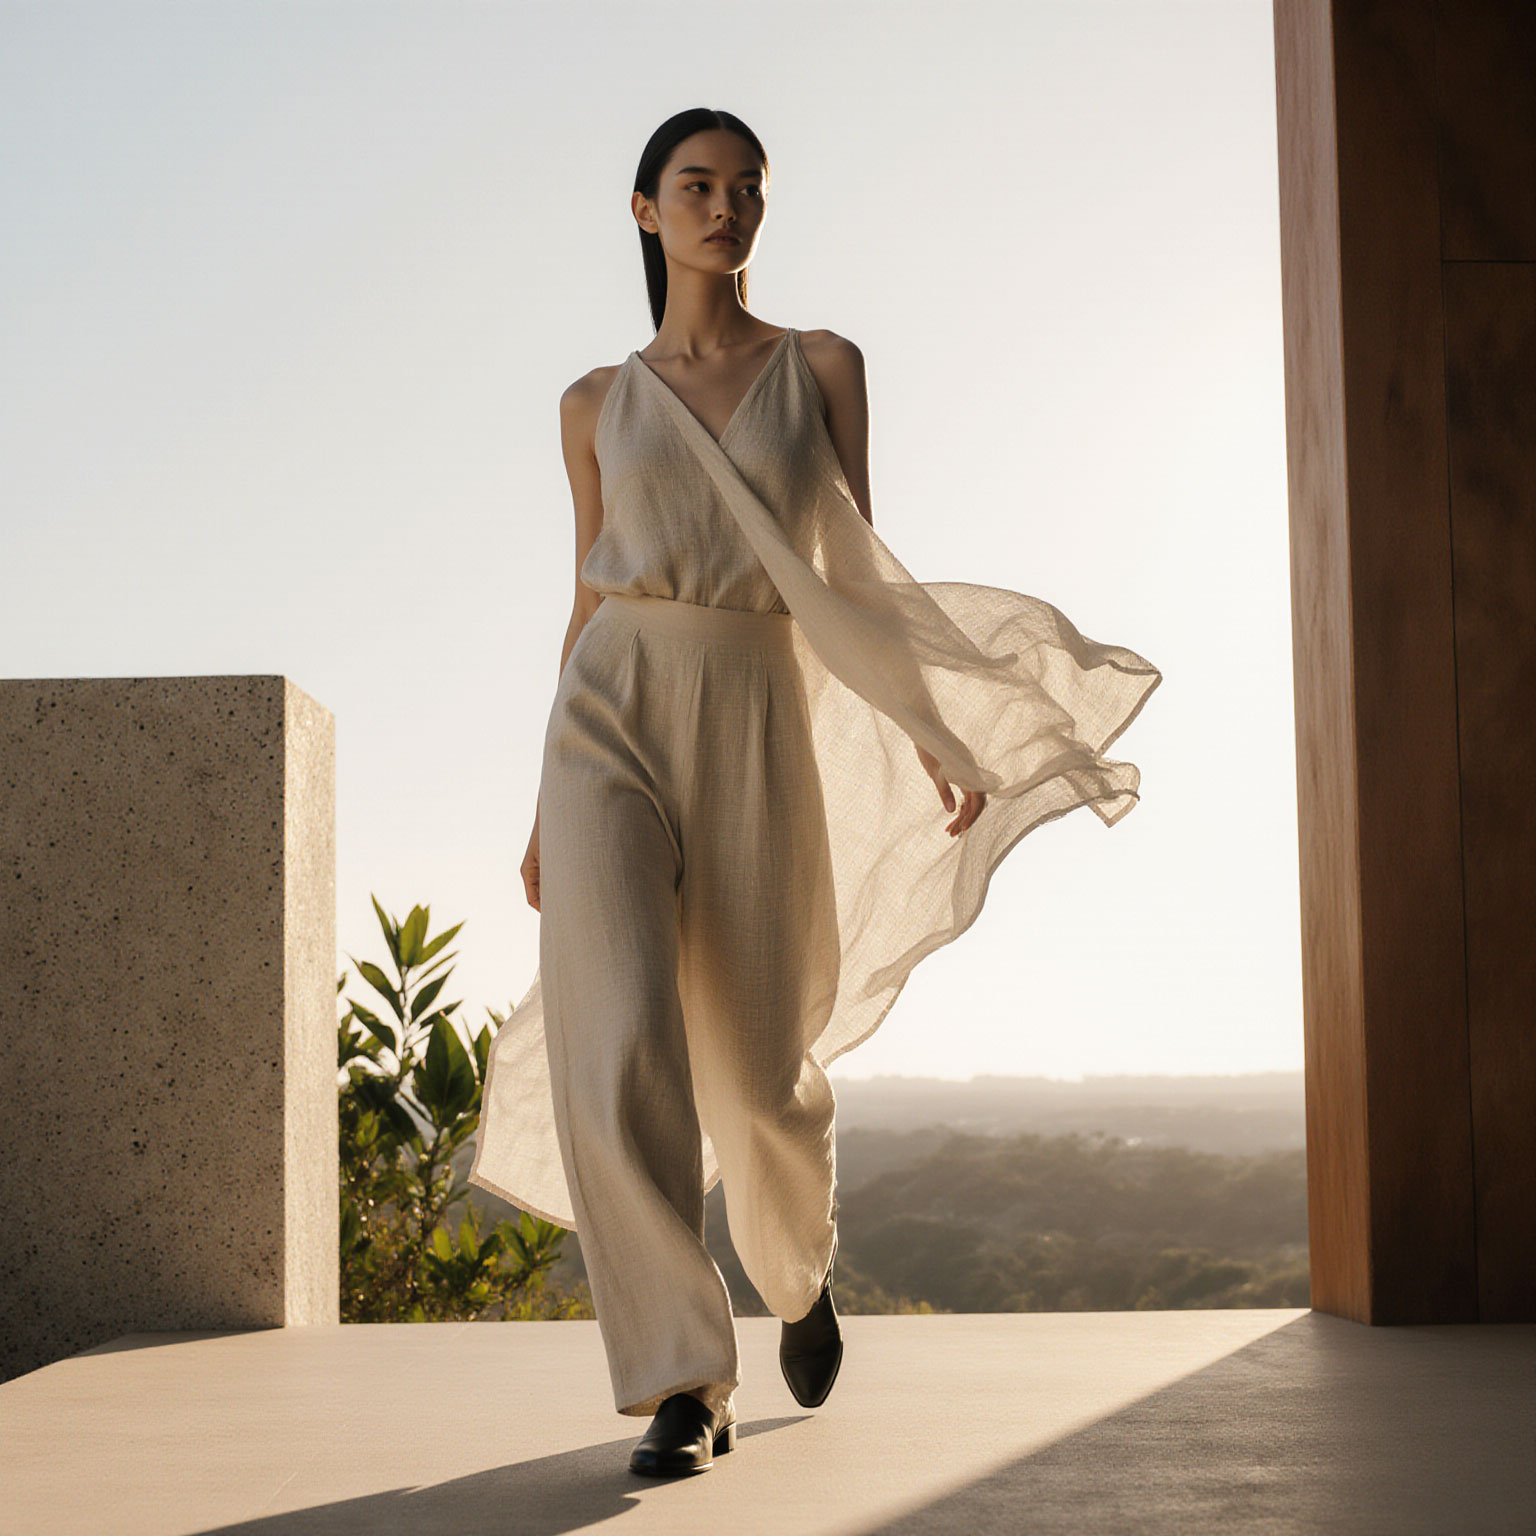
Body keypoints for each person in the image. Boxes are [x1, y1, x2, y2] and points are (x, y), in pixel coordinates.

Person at [468, 106, 1163, 1478]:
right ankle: (685, 1379)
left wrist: (930, 729)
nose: (723, 207)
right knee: (617, 1039)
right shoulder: (593, 404)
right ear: (645, 211)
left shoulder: (823, 368)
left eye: (746, 187)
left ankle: (795, 1271)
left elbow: (855, 577)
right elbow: (586, 594)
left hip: (752, 706)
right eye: (695, 185)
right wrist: (546, 803)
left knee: (757, 1063)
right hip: (608, 711)